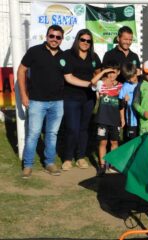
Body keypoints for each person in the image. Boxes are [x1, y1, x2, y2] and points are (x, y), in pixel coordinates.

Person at [17, 25, 93, 179]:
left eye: (58, 37)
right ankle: (28, 165)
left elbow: (69, 78)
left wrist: (90, 84)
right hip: (37, 101)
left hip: (57, 102)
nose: (54, 39)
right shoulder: (34, 51)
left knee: (52, 134)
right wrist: (23, 95)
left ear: (62, 39)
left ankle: (50, 163)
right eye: (52, 36)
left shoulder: (64, 56)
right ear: (47, 36)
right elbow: (21, 70)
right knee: (33, 134)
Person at [61, 29, 101, 171]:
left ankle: (80, 157)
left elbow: (98, 73)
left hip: (88, 99)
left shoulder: (94, 57)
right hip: (71, 97)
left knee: (84, 129)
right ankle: (67, 158)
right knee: (72, 128)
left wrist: (98, 86)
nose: (85, 43)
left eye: (88, 41)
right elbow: (68, 77)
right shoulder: (68, 55)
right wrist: (89, 84)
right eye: (82, 39)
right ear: (77, 40)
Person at [91, 61, 123, 176]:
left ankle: (113, 165)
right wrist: (103, 71)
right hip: (102, 119)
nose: (111, 75)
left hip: (115, 119)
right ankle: (102, 166)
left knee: (114, 141)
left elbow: (121, 105)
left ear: (118, 73)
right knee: (103, 142)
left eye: (113, 72)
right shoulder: (101, 83)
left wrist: (122, 118)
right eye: (109, 72)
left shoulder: (121, 86)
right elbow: (92, 82)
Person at [119, 62, 139, 142]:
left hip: (142, 118)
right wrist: (122, 119)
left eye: (133, 76)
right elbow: (121, 105)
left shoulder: (142, 83)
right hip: (131, 119)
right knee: (132, 140)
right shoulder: (125, 86)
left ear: (136, 72)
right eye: (129, 78)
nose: (132, 79)